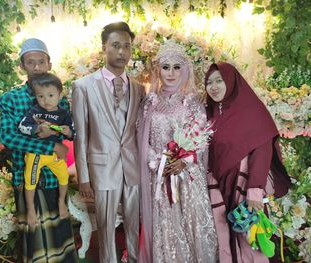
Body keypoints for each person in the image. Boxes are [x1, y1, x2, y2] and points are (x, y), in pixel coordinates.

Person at [137, 40, 218, 263]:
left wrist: (185, 161)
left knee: (191, 224)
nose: (171, 73)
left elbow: (201, 138)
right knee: (166, 224)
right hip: (160, 175)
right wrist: (157, 162)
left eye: (176, 67)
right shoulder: (149, 103)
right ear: (158, 70)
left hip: (188, 177)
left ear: (185, 70)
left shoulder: (192, 102)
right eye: (165, 67)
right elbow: (143, 140)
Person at [0, 38, 79, 262]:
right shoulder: (10, 99)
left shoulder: (58, 97)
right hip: (27, 177)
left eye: (41, 62)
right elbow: (7, 136)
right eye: (30, 62)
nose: (36, 67)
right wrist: (50, 144)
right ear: (22, 66)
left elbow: (69, 131)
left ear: (49, 64)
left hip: (54, 175)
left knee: (60, 238)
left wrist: (66, 134)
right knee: (34, 241)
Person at [72, 22, 145, 263]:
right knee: (105, 229)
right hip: (102, 169)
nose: (122, 51)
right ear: (104, 47)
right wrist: (83, 177)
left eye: (127, 46)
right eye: (116, 45)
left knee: (134, 225)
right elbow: (81, 135)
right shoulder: (83, 87)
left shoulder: (138, 88)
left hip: (133, 168)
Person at [204, 62, 291, 263]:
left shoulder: (252, 109)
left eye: (219, 81)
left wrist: (254, 191)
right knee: (224, 237)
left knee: (249, 236)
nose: (214, 87)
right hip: (218, 185)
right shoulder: (211, 112)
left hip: (244, 184)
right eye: (209, 83)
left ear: (232, 81)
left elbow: (262, 150)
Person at [18, 73, 74, 225]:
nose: (46, 100)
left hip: (55, 155)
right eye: (40, 96)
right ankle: (30, 209)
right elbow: (22, 126)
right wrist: (37, 128)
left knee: (63, 177)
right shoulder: (34, 111)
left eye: (50, 95)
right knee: (30, 181)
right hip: (36, 153)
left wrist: (66, 131)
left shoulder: (63, 113)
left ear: (60, 95)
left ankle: (61, 202)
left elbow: (73, 133)